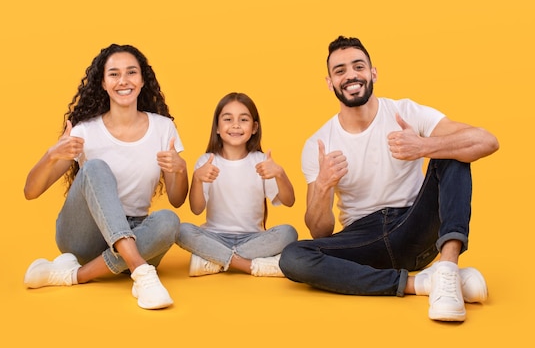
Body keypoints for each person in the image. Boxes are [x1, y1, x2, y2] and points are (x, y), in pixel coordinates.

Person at [279, 36, 499, 322]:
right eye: (340, 70)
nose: (351, 76)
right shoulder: (318, 143)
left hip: (413, 228)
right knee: (293, 256)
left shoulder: (406, 112)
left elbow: (487, 141)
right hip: (362, 241)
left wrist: (423, 146)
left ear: (373, 73)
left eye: (358, 66)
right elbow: (320, 233)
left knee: (452, 150)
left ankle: (447, 267)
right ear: (330, 82)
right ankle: (422, 283)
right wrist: (322, 186)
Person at [23, 44, 188, 310]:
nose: (123, 80)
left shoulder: (163, 128)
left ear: (143, 80)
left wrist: (179, 168)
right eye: (114, 74)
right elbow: (30, 191)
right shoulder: (84, 131)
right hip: (84, 236)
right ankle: (141, 272)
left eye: (131, 72)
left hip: (137, 232)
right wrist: (51, 154)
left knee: (170, 219)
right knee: (95, 167)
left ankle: (74, 275)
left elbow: (178, 199)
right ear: (102, 82)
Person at [176, 92, 298, 277]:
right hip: (215, 236)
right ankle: (250, 265)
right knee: (181, 230)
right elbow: (196, 209)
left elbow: (289, 201)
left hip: (253, 238)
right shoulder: (206, 161)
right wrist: (198, 179)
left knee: (288, 233)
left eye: (243, 119)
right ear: (217, 127)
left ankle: (215, 261)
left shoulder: (261, 161)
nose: (235, 125)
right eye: (228, 119)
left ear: (254, 127)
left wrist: (280, 174)